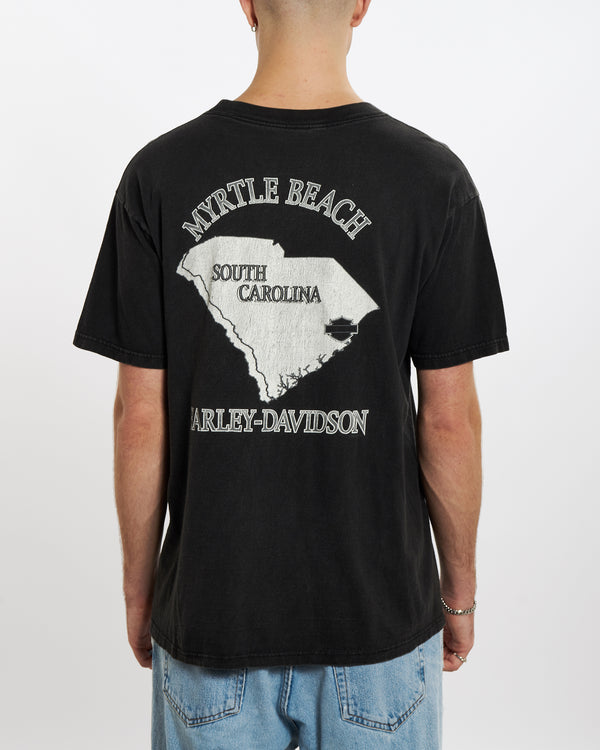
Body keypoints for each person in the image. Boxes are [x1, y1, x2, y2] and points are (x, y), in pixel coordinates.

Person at [72, 0, 509, 747]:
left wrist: (141, 591)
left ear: (245, 4)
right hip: (379, 623)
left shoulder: (160, 174)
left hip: (211, 615)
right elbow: (448, 419)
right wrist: (458, 595)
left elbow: (138, 416)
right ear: (361, 5)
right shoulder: (431, 180)